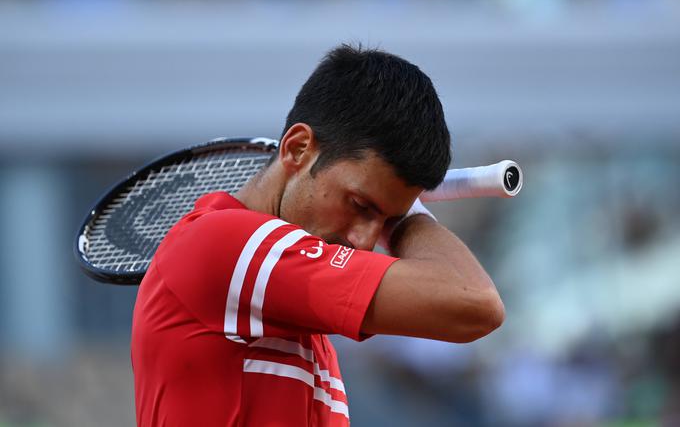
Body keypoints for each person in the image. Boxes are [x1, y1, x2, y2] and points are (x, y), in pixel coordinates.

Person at [131, 44, 505, 426]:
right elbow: (474, 304)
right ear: (298, 148)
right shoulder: (222, 242)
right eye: (360, 204)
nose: (364, 240)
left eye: (385, 221)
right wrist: (409, 218)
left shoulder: (300, 322)